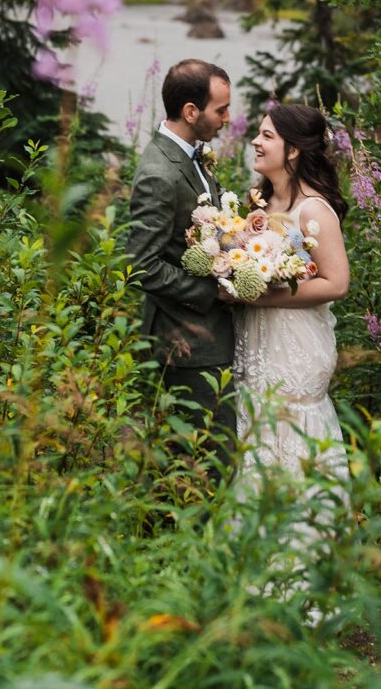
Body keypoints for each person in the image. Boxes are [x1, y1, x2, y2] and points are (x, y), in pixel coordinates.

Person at [126, 59, 236, 474]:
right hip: (187, 343)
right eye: (220, 110)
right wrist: (215, 292)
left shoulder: (191, 158)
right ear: (191, 112)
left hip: (208, 339)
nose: (227, 119)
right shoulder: (159, 173)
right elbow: (143, 266)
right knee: (206, 464)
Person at [233, 104, 350, 482]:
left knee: (289, 428)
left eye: (267, 136)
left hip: (295, 346)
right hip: (257, 339)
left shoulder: (312, 211)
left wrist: (263, 297)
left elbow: (336, 282)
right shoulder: (260, 205)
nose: (256, 141)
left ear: (294, 150)